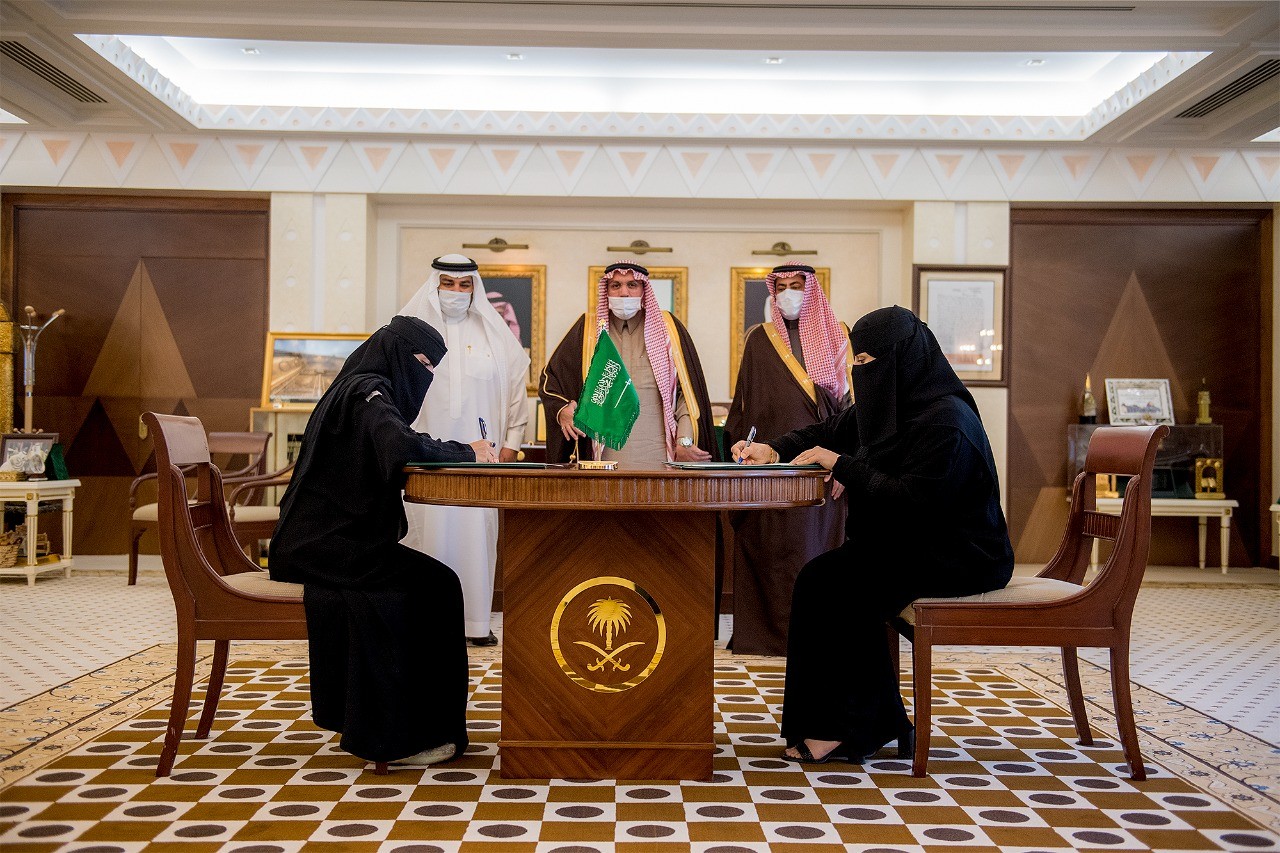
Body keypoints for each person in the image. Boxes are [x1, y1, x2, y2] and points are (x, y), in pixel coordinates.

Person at [732, 306, 1013, 764]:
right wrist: (774, 448)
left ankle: (850, 727)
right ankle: (863, 722)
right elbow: (828, 430)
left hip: (962, 554)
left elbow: (915, 501)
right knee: (820, 578)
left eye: (866, 362)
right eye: (855, 361)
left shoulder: (946, 420)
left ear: (901, 359)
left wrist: (842, 465)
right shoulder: (888, 404)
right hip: (910, 545)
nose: (859, 371)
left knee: (842, 585)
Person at [270, 316, 498, 767]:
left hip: (329, 541)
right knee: (435, 588)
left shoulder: (357, 388)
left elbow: (401, 438)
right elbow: (399, 446)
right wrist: (468, 451)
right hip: (324, 547)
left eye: (432, 369)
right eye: (422, 363)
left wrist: (452, 448)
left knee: (435, 584)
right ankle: (405, 734)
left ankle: (420, 727)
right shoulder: (367, 391)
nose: (425, 375)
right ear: (396, 353)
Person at [400, 254, 530, 646]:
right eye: (448, 283)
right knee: (424, 534)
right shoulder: (410, 331)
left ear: (474, 288)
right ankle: (422, 622)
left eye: (464, 284)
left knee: (476, 535)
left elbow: (516, 387)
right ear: (434, 285)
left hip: (480, 456)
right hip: (423, 455)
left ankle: (474, 623)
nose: (456, 292)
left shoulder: (493, 333)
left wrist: (512, 443)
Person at [723, 263, 852, 656]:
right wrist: (740, 445)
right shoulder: (759, 339)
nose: (788, 293)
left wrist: (846, 462)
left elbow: (853, 409)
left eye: (797, 285)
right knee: (772, 550)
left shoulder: (838, 336)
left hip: (823, 470)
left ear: (811, 290)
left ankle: (818, 636)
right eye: (781, 287)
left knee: (815, 551)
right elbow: (744, 404)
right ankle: (768, 636)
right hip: (769, 467)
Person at [540, 261, 717, 465]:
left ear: (643, 290)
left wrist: (684, 440)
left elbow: (686, 394)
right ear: (607, 291)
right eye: (616, 285)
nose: (624, 293)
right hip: (601, 460)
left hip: (661, 458)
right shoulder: (587, 330)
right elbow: (550, 380)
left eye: (632, 285)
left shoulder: (668, 329)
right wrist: (562, 410)